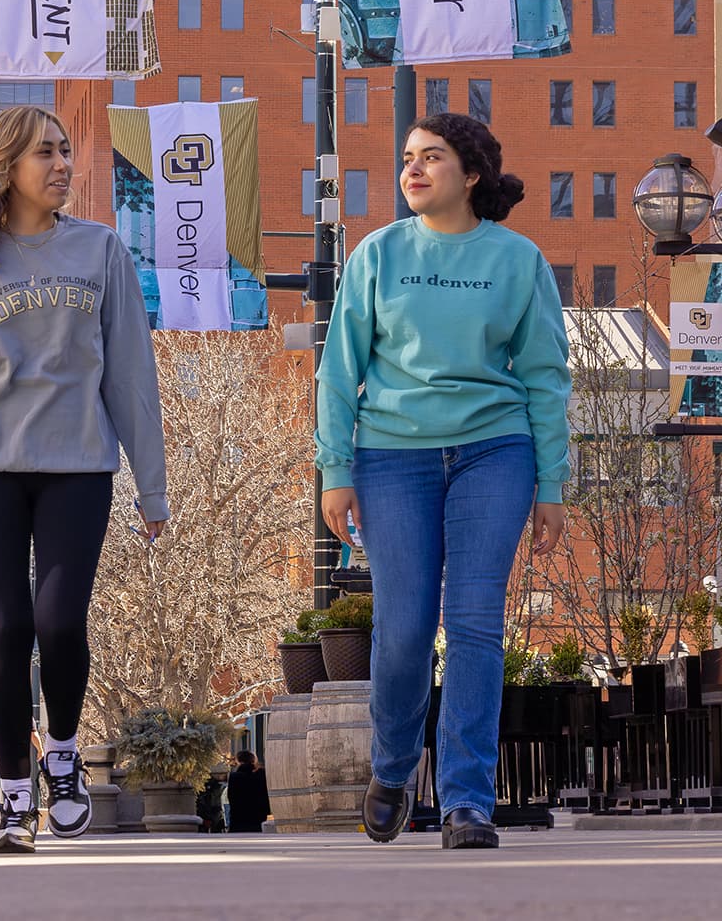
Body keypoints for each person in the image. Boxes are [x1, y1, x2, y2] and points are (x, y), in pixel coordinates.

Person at [0, 105, 169, 854]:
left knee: (58, 621)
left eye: (64, 151)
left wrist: (153, 487)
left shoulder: (101, 248)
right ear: (5, 166)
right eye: (45, 153)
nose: (62, 164)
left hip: (79, 465)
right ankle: (14, 798)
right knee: (8, 628)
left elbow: (131, 375)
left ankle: (63, 749)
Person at [316, 113, 570, 852]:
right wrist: (336, 469)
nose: (413, 169)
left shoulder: (518, 260)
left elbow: (545, 376)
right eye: (407, 158)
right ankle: (392, 768)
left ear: (473, 173)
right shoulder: (377, 255)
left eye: (432, 157)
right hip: (393, 456)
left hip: (497, 451)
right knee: (402, 631)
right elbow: (339, 370)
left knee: (475, 625)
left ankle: (466, 800)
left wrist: (551, 480)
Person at [226, 751, 270, 833]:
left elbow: (231, 798)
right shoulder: (262, 775)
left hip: (238, 821)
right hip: (258, 820)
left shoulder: (234, 777)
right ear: (254, 760)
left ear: (238, 761)